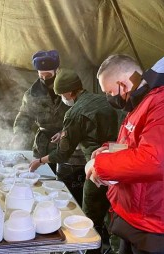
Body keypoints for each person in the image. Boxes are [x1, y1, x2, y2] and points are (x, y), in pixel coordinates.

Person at [86, 54, 164, 254]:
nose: (109, 98)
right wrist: (107, 151)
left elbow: (153, 160)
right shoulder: (143, 103)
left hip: (159, 226)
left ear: (123, 85)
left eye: (110, 92)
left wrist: (99, 165)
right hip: (136, 218)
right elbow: (133, 146)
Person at [29, 68, 119, 253]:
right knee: (113, 214)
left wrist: (40, 160)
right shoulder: (101, 99)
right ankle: (109, 245)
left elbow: (62, 154)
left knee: (90, 219)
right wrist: (65, 133)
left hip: (98, 170)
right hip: (119, 165)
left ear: (69, 92)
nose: (62, 97)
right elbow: (90, 127)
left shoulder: (74, 113)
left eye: (61, 94)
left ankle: (90, 249)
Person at [12, 50, 70, 173]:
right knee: (43, 179)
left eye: (48, 76)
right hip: (42, 147)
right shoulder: (32, 94)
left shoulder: (70, 89)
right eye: (41, 75)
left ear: (57, 70)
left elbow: (79, 117)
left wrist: (64, 132)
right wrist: (18, 135)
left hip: (67, 147)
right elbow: (24, 117)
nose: (44, 79)